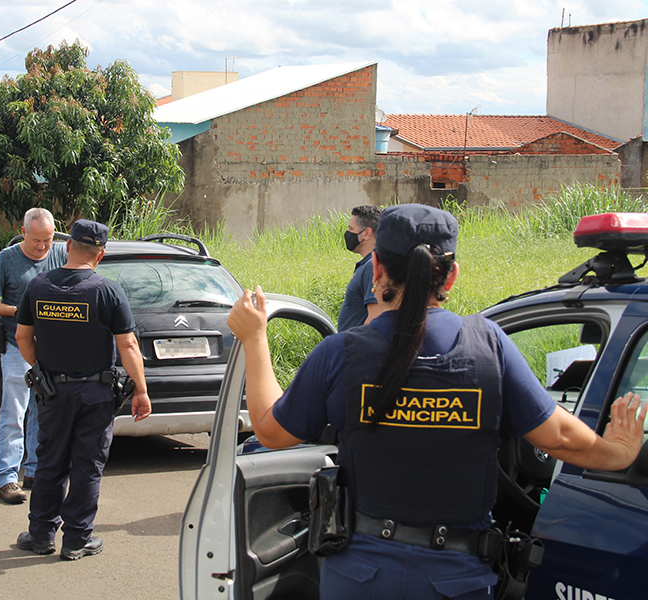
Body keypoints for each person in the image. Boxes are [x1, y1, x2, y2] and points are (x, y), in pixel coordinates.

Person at [227, 203, 647, 600]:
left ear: (376, 269)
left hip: (360, 578)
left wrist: (254, 338)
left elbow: (269, 429)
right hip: (456, 580)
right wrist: (619, 451)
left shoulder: (340, 354)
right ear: (450, 276)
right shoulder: (490, 347)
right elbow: (559, 437)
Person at [14, 219, 151, 560]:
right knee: (87, 466)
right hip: (96, 394)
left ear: (67, 247)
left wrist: (41, 370)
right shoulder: (107, 291)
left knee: (49, 462)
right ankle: (77, 539)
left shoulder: (38, 286)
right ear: (100, 254)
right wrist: (141, 391)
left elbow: (22, 338)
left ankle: (41, 534)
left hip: (53, 393)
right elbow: (129, 345)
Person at [0, 207, 67, 504]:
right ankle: (7, 478)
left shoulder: (59, 255)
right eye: (36, 241)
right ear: (24, 231)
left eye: (48, 240)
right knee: (14, 412)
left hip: (50, 349)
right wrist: (18, 311)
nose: (42, 247)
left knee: (43, 412)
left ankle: (34, 470)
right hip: (17, 346)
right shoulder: (6, 259)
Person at [337, 205, 382, 332]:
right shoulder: (368, 264)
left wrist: (354, 347)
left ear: (366, 234)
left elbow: (375, 318)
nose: (347, 232)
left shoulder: (372, 266)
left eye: (351, 228)